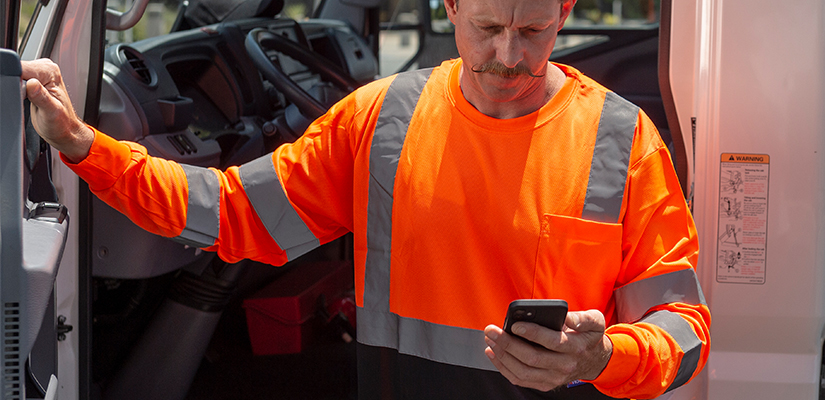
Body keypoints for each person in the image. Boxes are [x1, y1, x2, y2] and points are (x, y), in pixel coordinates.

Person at [21, 0, 710, 398]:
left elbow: (683, 329)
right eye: (486, 27)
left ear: (563, 11)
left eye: (531, 30)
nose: (508, 55)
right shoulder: (382, 120)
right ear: (451, 8)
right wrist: (84, 145)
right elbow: (231, 214)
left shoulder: (623, 140)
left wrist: (604, 357)